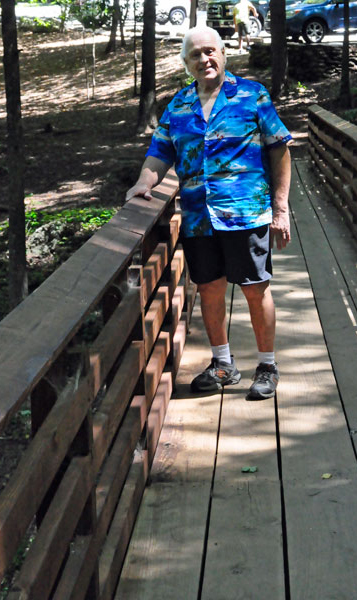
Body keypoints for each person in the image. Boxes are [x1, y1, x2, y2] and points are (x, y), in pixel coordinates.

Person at [126, 26, 292, 400]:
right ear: (187, 63)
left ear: (222, 53)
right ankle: (223, 364)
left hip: (245, 214)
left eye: (210, 51)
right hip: (200, 216)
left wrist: (280, 208)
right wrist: (144, 183)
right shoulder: (179, 106)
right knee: (210, 290)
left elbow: (280, 150)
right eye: (196, 55)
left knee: (255, 290)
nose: (205, 59)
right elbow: (160, 152)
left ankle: (267, 365)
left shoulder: (252, 95)